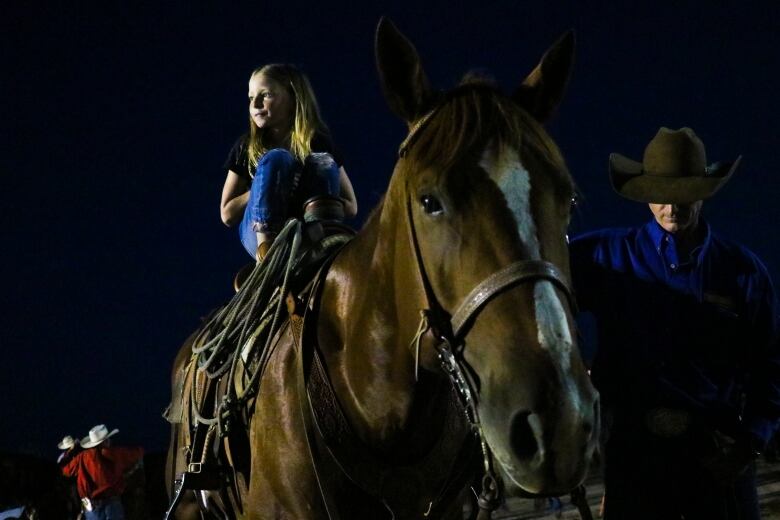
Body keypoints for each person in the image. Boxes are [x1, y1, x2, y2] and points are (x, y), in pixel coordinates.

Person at [570, 127, 780, 519]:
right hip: (634, 465)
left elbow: (770, 367)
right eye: (661, 195)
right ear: (644, 193)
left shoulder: (744, 272)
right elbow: (536, 290)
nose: (671, 207)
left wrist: (749, 445)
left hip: (720, 462)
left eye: (683, 193)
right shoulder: (599, 256)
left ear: (703, 191)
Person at [220, 63, 358, 261]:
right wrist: (260, 187)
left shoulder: (318, 142)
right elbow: (227, 214)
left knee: (322, 163)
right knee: (277, 159)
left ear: (293, 97)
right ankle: (268, 253)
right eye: (251, 97)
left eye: (265, 95)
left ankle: (323, 242)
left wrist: (310, 196)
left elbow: (351, 206)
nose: (255, 104)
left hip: (307, 227)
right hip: (258, 229)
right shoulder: (246, 146)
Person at [61, 424, 144, 520]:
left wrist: (69, 454)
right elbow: (137, 453)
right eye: (108, 439)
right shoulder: (112, 453)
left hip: (91, 506)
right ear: (104, 441)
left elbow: (65, 471)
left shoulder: (81, 457)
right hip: (112, 503)